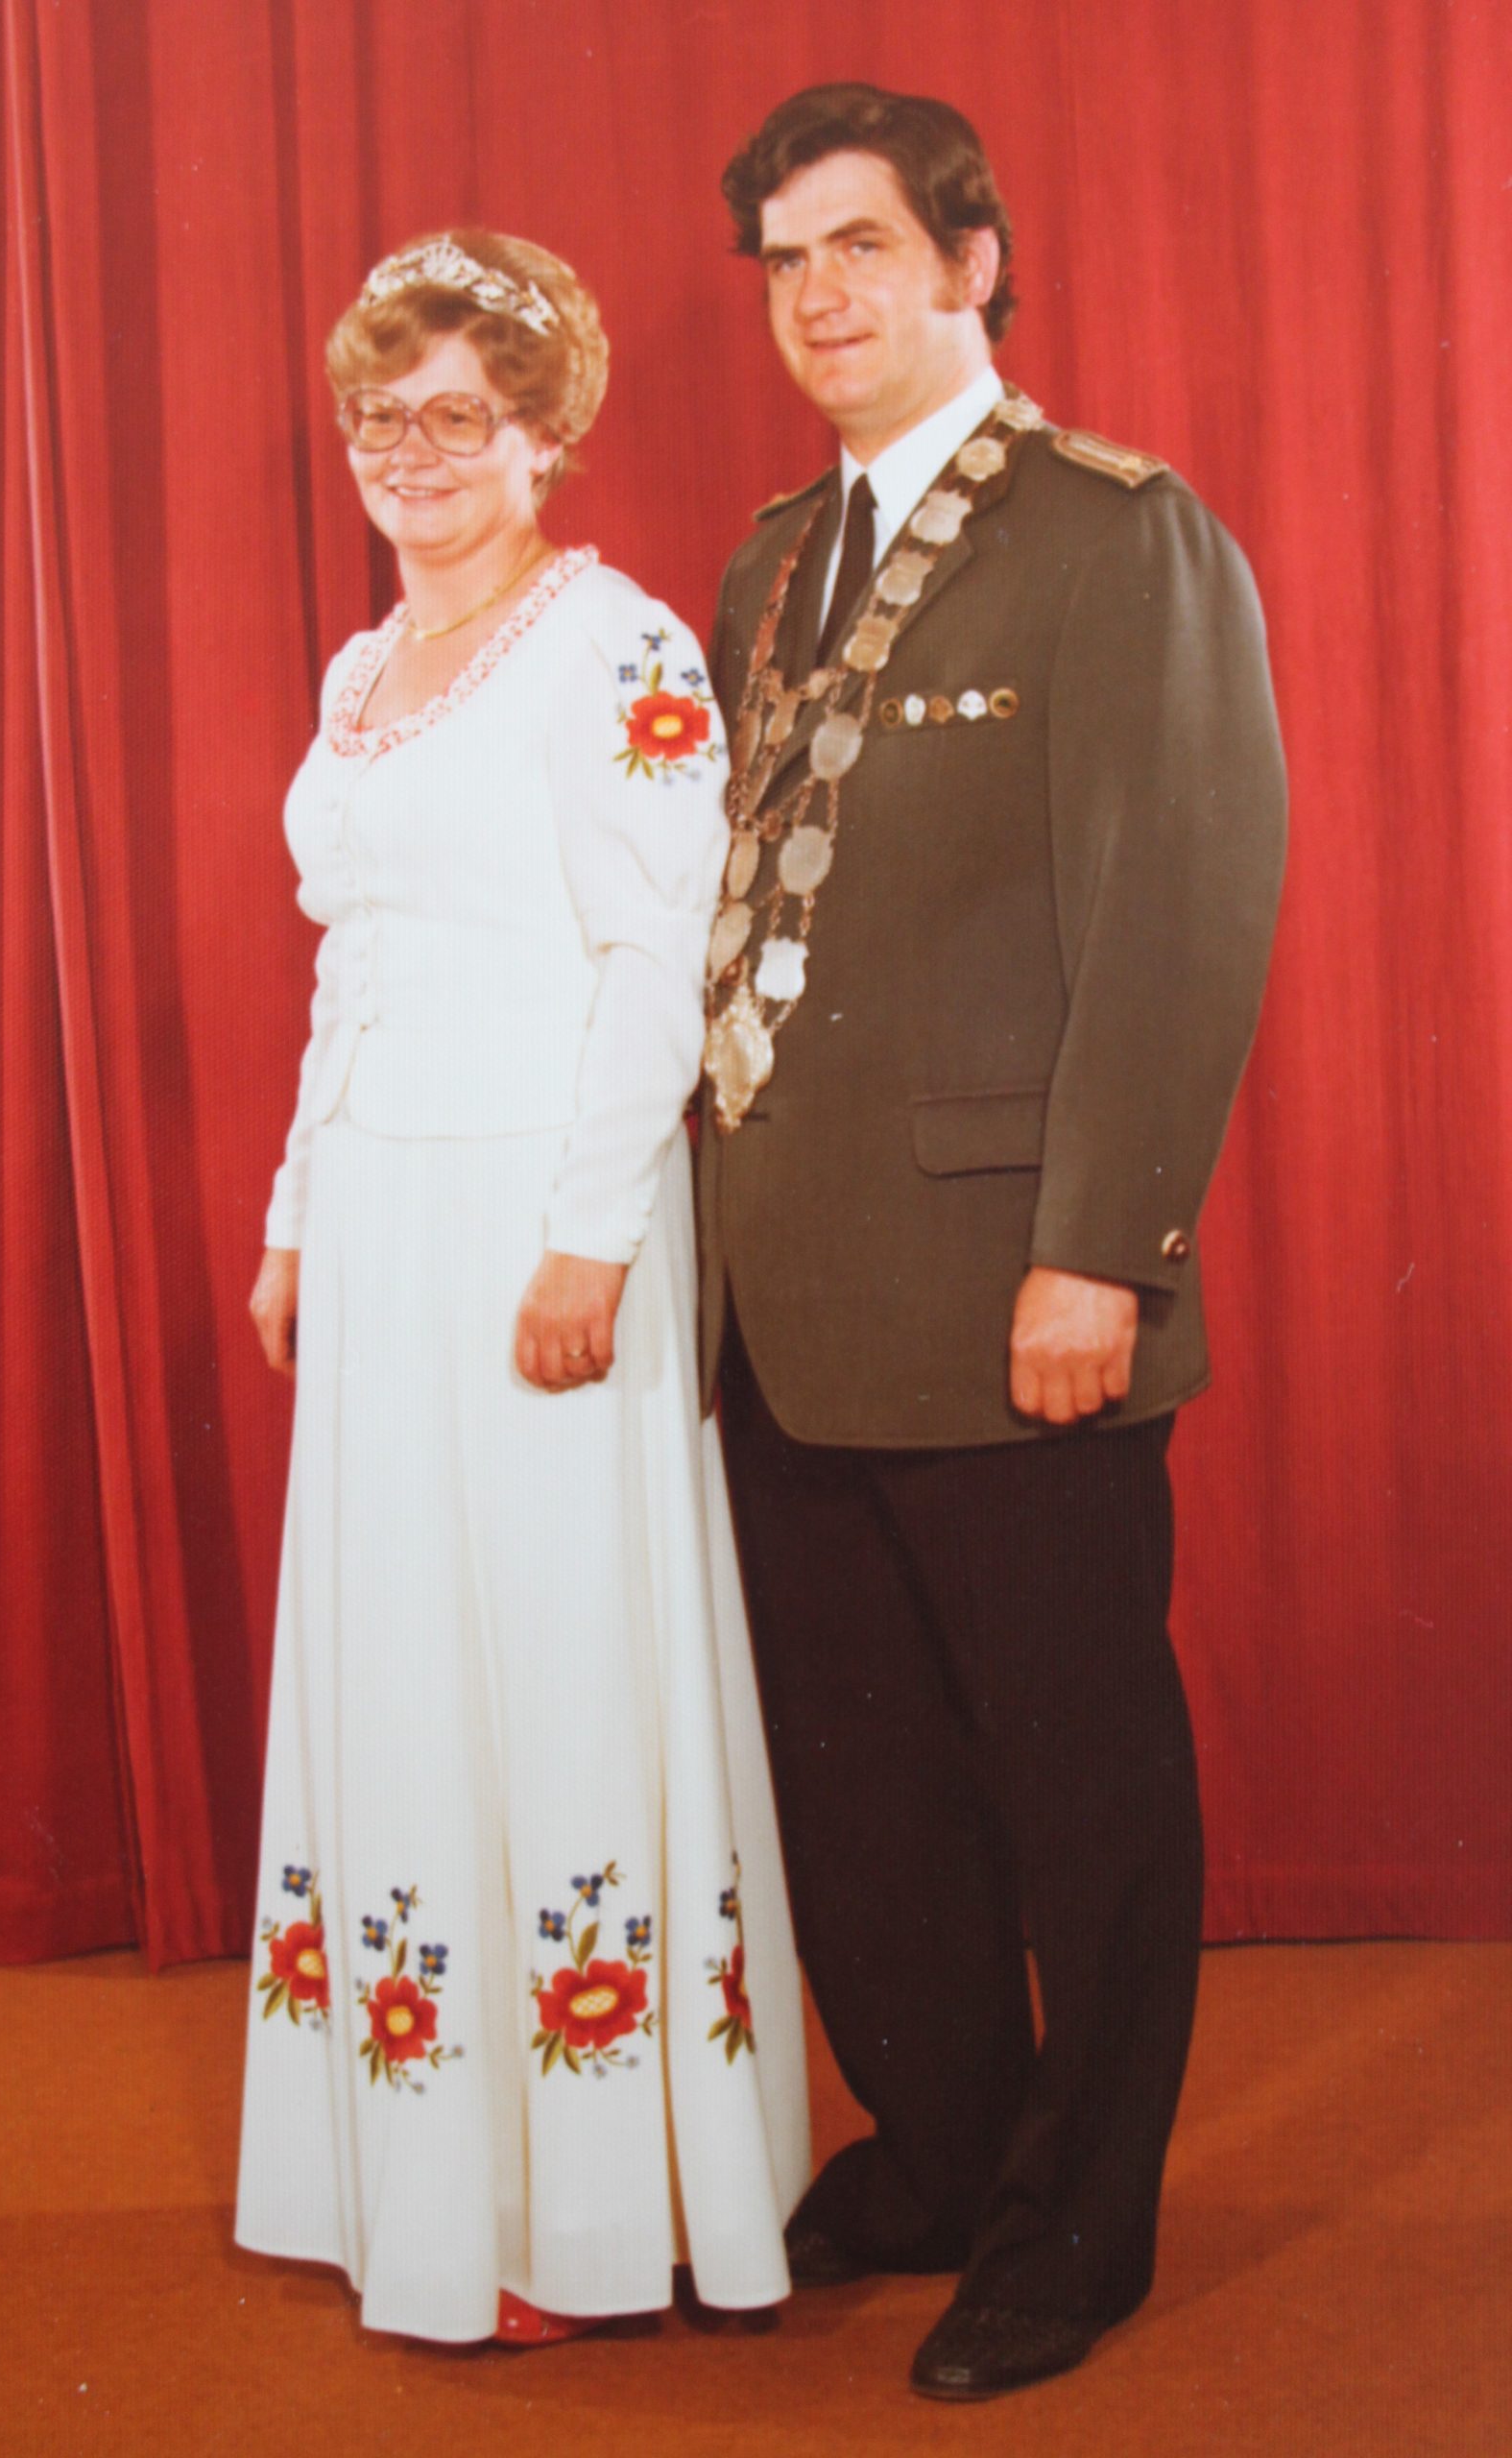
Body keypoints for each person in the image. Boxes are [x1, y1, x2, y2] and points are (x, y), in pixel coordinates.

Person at [697, 86, 1286, 2400]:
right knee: (859, 1780)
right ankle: (944, 2149)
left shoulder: (1109, 534)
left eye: (858, 245)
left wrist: (1100, 1250)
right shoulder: (769, 562)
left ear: (968, 261)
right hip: (788, 1290)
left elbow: (1175, 909)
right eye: (782, 259)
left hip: (1008, 1280)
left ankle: (1073, 2218)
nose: (817, 294)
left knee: (1073, 1777)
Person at [235, 229, 809, 2347]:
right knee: (404, 1659)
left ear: (544, 434)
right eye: (380, 421)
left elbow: (659, 952)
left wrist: (592, 1233)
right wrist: (298, 1211)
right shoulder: (361, 672)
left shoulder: (614, 644)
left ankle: (588, 2203)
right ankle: (419, 2167)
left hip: (543, 1221)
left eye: (457, 418)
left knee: (551, 1662)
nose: (412, 456)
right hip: (387, 1222)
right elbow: (354, 960)